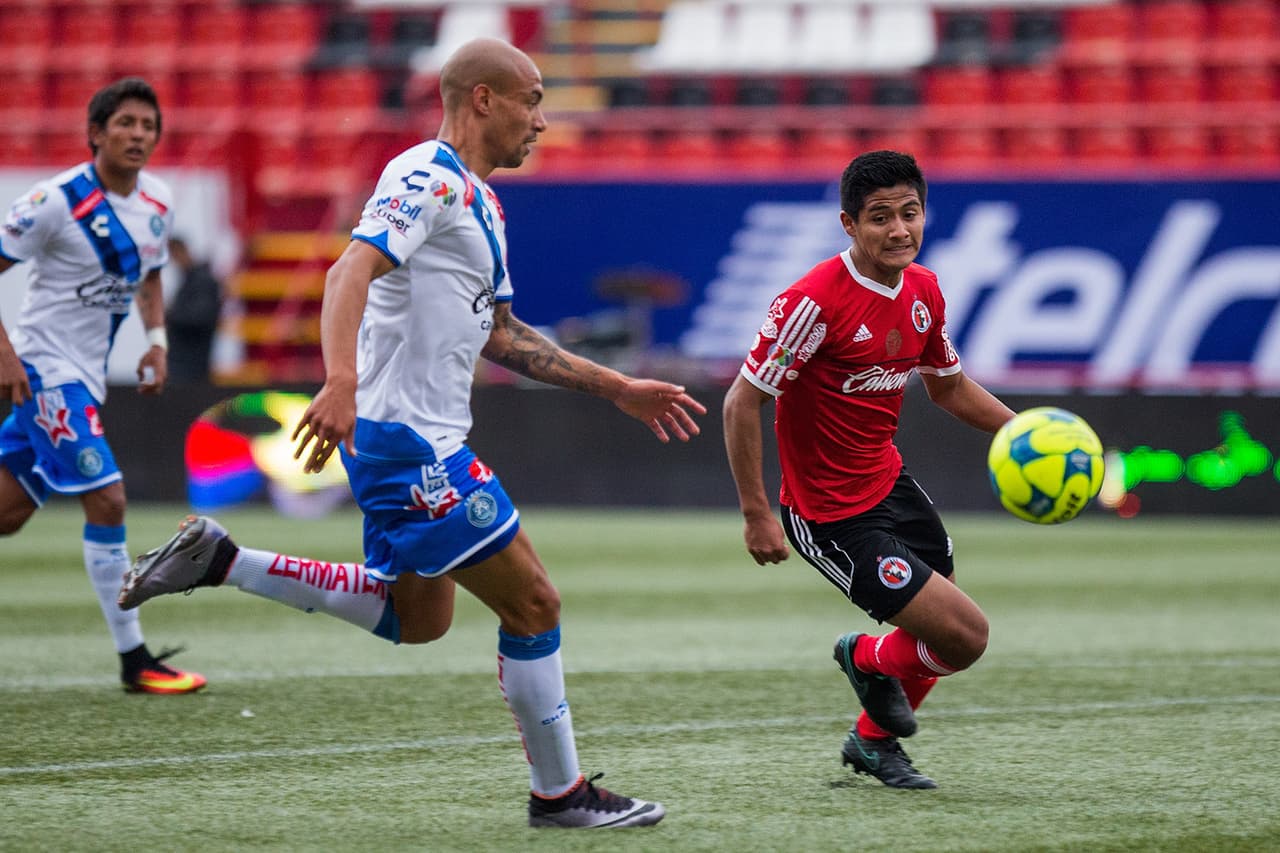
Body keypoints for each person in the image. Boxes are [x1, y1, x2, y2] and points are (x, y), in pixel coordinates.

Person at [118, 38, 704, 828]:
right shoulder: (423, 176)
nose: (542, 118)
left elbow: (504, 335)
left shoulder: (482, 202)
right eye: (531, 99)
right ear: (483, 100)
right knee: (534, 602)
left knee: (417, 618)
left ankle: (227, 558)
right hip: (409, 444)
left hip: (417, 440)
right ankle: (560, 794)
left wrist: (615, 386)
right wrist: (338, 382)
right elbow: (346, 272)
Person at [722, 150, 1016, 789]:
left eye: (910, 213)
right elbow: (744, 400)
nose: (899, 229)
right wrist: (755, 513)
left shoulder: (924, 289)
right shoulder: (812, 302)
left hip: (890, 483)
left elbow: (948, 387)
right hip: (828, 514)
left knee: (942, 639)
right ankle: (863, 656)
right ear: (849, 225)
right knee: (965, 636)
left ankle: (874, 743)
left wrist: (1020, 431)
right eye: (880, 217)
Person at [0, 78, 205, 694]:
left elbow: (148, 278)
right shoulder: (53, 201)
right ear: (96, 133)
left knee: (7, 515)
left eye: (148, 125)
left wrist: (158, 343)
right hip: (44, 369)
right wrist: (7, 354)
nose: (138, 134)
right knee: (109, 499)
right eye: (126, 124)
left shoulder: (157, 203)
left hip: (84, 378)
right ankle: (134, 660)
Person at [163, 236, 222, 383]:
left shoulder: (202, 281)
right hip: (184, 364)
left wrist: (171, 314)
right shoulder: (191, 280)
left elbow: (200, 317)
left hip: (191, 367)